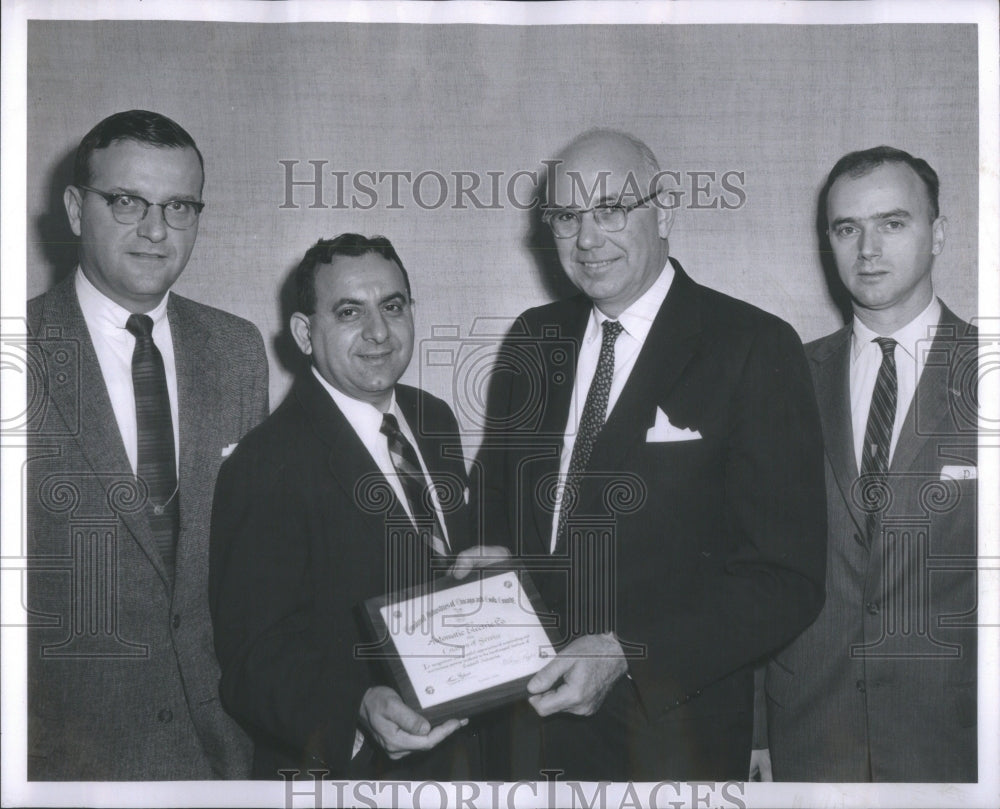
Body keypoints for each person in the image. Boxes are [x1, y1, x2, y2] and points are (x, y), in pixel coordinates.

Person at [476, 129, 827, 781]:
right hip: (522, 741)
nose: (587, 239)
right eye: (567, 217)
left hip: (667, 748)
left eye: (611, 209)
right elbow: (495, 521)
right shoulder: (532, 339)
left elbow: (786, 580)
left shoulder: (753, 347)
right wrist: (485, 565)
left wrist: (628, 652)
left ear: (664, 209)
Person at [25, 109, 268, 779]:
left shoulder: (238, 350)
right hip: (65, 764)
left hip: (224, 754)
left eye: (179, 206)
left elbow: (259, 565)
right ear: (76, 209)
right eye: (128, 201)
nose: (157, 230)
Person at [209, 234, 481, 779]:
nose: (379, 332)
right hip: (349, 776)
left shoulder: (434, 420)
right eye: (350, 312)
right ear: (306, 334)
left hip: (461, 763)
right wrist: (355, 708)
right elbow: (251, 661)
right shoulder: (266, 463)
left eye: (393, 306)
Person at [756, 146, 978, 782]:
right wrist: (752, 730)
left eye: (893, 223)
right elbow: (749, 563)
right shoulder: (783, 377)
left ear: (937, 234)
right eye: (846, 228)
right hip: (807, 736)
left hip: (957, 737)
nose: (867, 249)